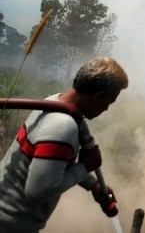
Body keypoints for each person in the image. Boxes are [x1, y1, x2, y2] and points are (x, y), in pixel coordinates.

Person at [0, 56, 128, 233]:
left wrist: (93, 184)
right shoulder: (63, 126)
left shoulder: (54, 101)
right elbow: (37, 190)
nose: (106, 109)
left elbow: (53, 165)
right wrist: (85, 167)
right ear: (98, 97)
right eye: (109, 102)